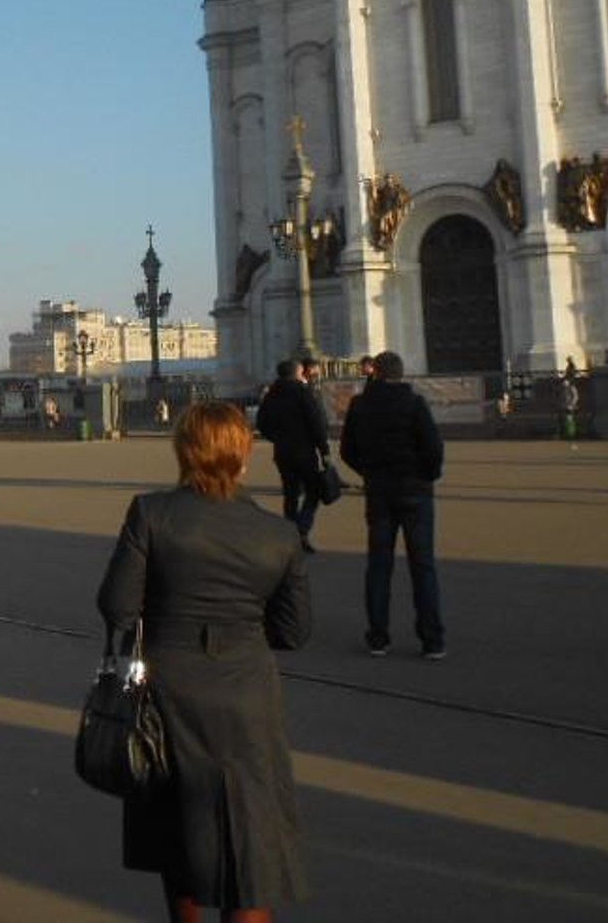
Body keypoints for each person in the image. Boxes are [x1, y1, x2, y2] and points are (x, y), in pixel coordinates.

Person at [95, 400, 311, 921]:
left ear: (183, 450)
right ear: (244, 454)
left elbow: (117, 607)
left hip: (167, 691)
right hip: (247, 696)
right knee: (252, 843)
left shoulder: (152, 514)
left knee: (177, 833)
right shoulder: (280, 534)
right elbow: (293, 632)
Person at [340, 351, 445, 659]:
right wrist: (425, 476)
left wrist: (370, 472)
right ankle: (432, 640)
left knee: (379, 565)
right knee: (423, 566)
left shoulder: (360, 405)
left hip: (379, 492)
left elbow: (347, 450)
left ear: (375, 373)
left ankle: (378, 638)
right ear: (401, 374)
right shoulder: (414, 403)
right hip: (415, 492)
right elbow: (433, 448)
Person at [255, 359, 328, 552]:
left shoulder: (272, 395)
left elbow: (262, 423)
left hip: (283, 452)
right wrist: (324, 450)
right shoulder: (303, 393)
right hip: (305, 452)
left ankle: (291, 536)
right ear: (297, 373)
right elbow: (316, 423)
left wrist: (278, 438)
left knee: (290, 495)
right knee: (314, 491)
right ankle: (301, 529)